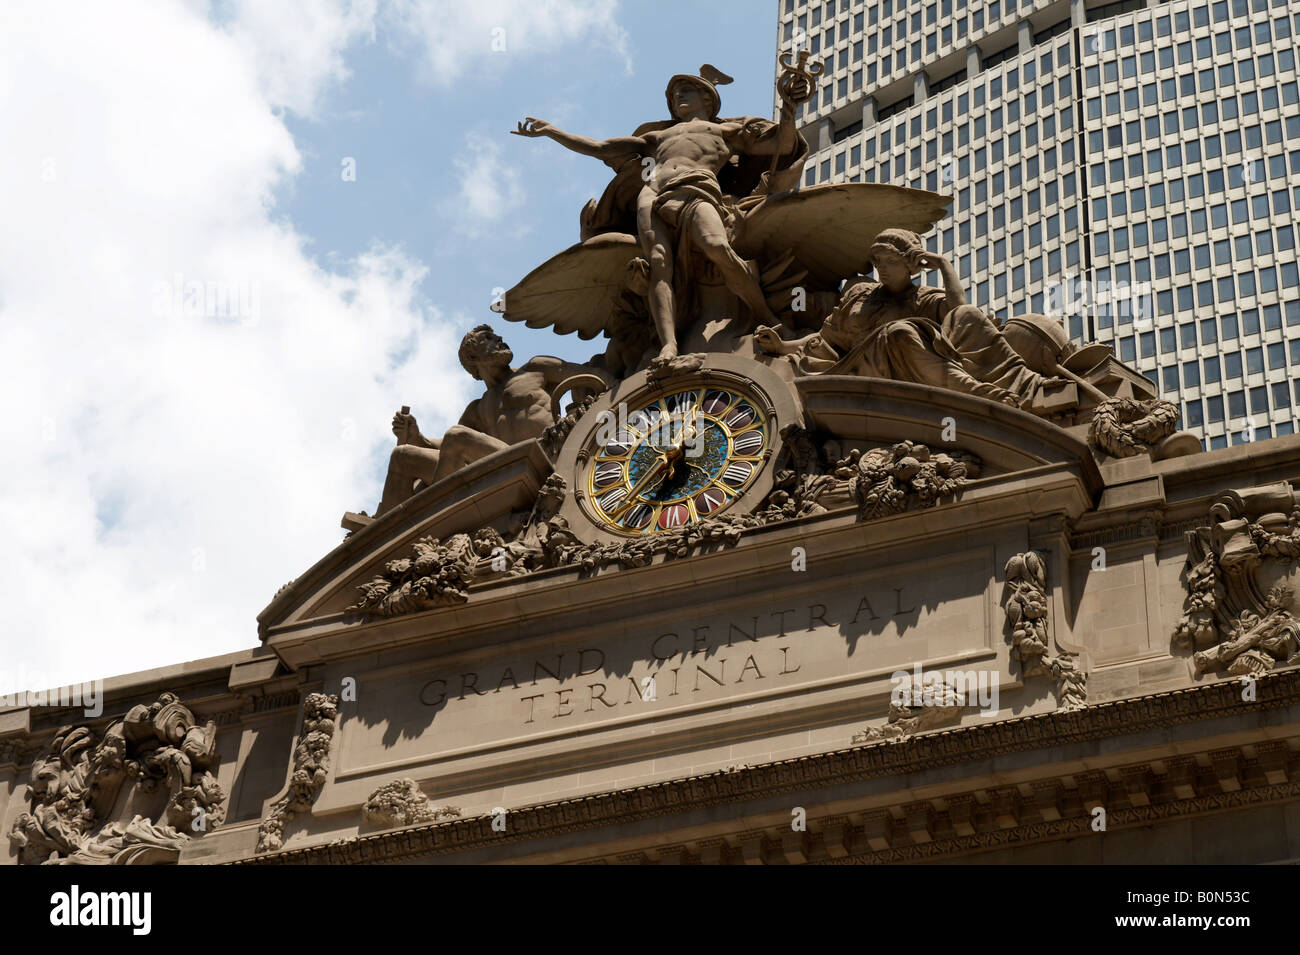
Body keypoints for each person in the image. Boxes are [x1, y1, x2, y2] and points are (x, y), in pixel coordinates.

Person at [512, 64, 808, 361]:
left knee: (718, 247)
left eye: (685, 90)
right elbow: (602, 148)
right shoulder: (656, 137)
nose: (677, 96)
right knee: (658, 264)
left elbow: (782, 144)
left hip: (697, 189)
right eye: (673, 94)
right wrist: (552, 132)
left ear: (708, 99)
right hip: (653, 195)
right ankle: (669, 345)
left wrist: (789, 106)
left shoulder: (726, 131)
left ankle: (765, 316)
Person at [755, 229, 1046, 407]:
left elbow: (958, 311)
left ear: (912, 266)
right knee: (899, 332)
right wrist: (782, 347)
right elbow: (825, 338)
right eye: (878, 262)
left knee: (967, 314)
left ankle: (1015, 385)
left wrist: (943, 265)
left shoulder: (922, 299)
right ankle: (972, 392)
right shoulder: (859, 294)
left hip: (906, 372)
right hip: (858, 370)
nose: (882, 268)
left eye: (891, 262)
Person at [378, 326, 610, 515]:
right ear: (472, 357)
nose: (499, 338)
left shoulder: (536, 368)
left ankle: (433, 519)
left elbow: (596, 378)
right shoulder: (478, 409)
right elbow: (444, 450)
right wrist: (415, 436)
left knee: (457, 436)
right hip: (506, 467)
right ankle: (383, 537)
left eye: (496, 335)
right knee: (402, 456)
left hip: (543, 457)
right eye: (488, 338)